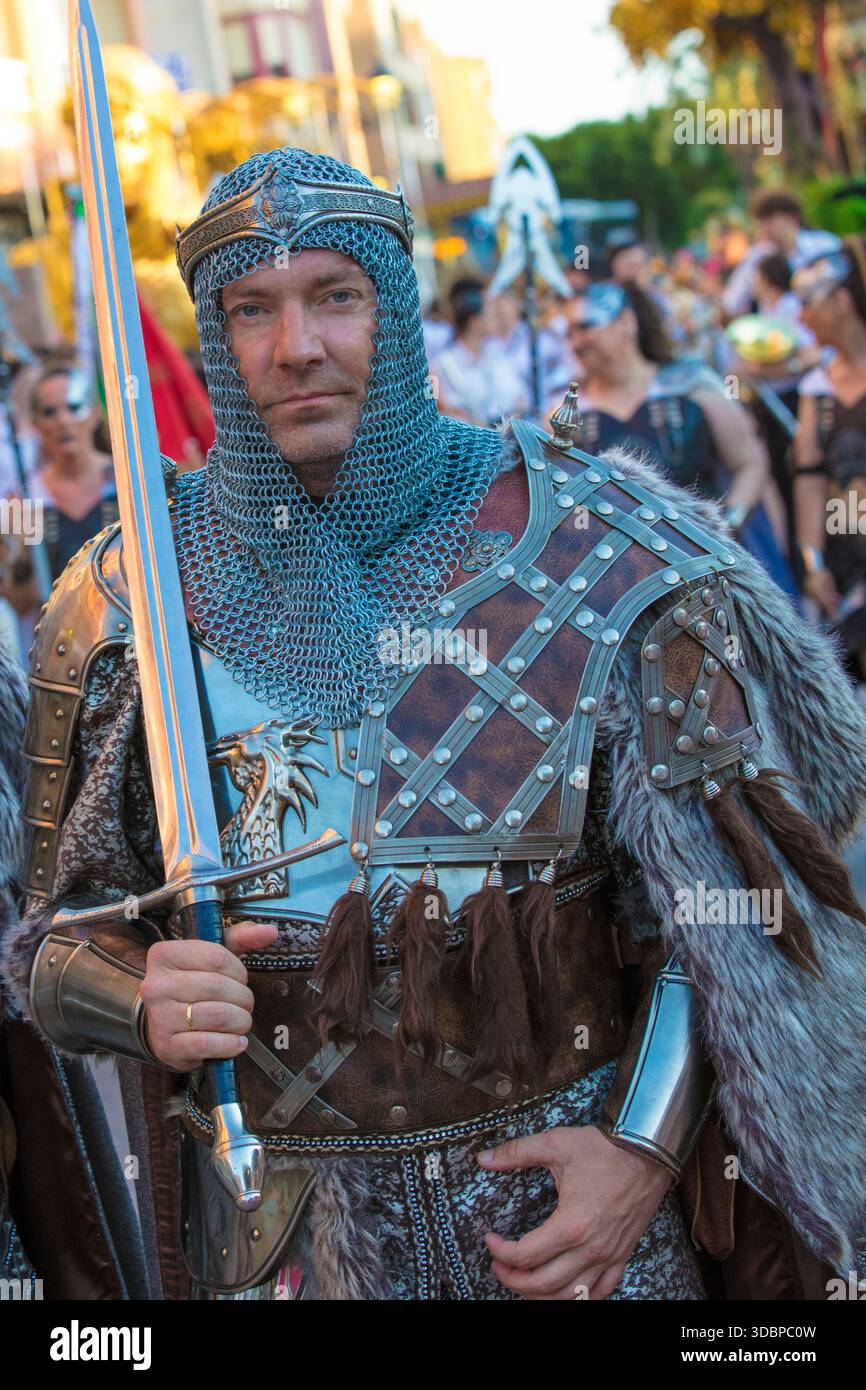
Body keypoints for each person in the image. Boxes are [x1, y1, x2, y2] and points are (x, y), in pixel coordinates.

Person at [3, 146, 866, 1303]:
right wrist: (138, 996)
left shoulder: (593, 547)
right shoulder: (123, 603)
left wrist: (642, 1146)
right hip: (287, 1241)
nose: (294, 346)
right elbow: (51, 940)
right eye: (250, 309)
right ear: (214, 333)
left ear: (393, 307)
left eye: (334, 297)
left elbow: (728, 919)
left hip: (571, 1229)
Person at [556, 280, 798, 598]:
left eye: (586, 327)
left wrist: (727, 524)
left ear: (626, 323)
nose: (577, 342)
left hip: (711, 570)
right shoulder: (566, 411)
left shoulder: (689, 383)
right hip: (622, 586)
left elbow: (750, 462)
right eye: (569, 333)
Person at [792, 239, 866, 680]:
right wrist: (813, 563)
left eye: (808, 303)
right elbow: (808, 477)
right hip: (847, 554)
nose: (800, 317)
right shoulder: (816, 387)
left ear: (840, 300)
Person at [721, 190, 840, 323]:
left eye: (769, 220)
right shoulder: (757, 257)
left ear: (791, 218)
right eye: (761, 222)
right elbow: (731, 303)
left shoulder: (824, 245)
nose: (764, 228)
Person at [430, 279, 528, 426]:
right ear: (474, 321)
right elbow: (443, 409)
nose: (496, 320)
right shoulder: (442, 365)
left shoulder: (497, 354)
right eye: (489, 315)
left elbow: (518, 398)